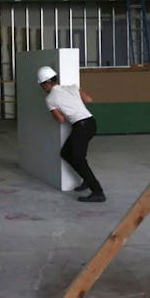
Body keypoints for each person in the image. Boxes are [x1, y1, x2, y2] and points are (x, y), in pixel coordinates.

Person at [37, 66, 106, 203]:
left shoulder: (50, 99)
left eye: (41, 85)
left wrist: (59, 110)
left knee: (78, 159)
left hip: (81, 126)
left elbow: (61, 119)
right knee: (66, 153)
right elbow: (88, 99)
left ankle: (98, 192)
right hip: (90, 123)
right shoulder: (72, 87)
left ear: (45, 84)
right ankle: (87, 180)